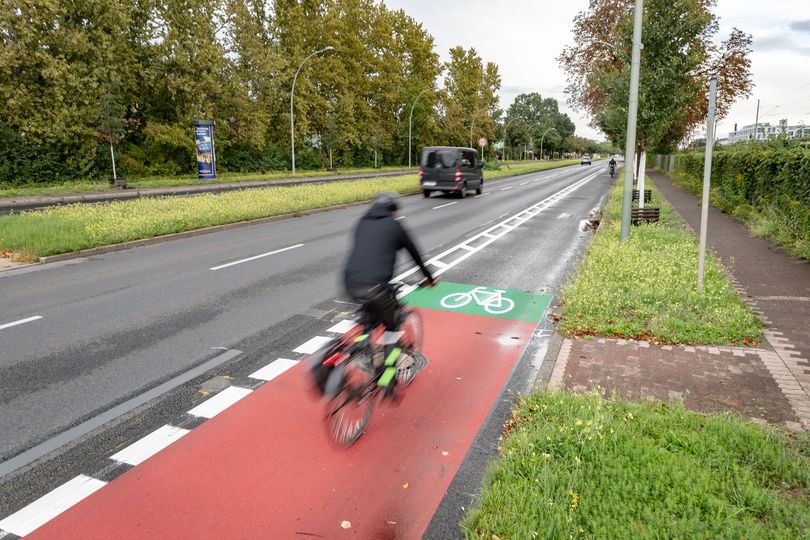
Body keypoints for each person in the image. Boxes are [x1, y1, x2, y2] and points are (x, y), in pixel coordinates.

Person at [343, 192, 435, 395]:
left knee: (368, 321)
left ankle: (358, 348)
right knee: (392, 326)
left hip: (350, 283)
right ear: (393, 211)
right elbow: (415, 255)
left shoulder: (362, 222)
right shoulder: (395, 226)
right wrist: (429, 278)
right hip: (377, 287)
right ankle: (387, 381)